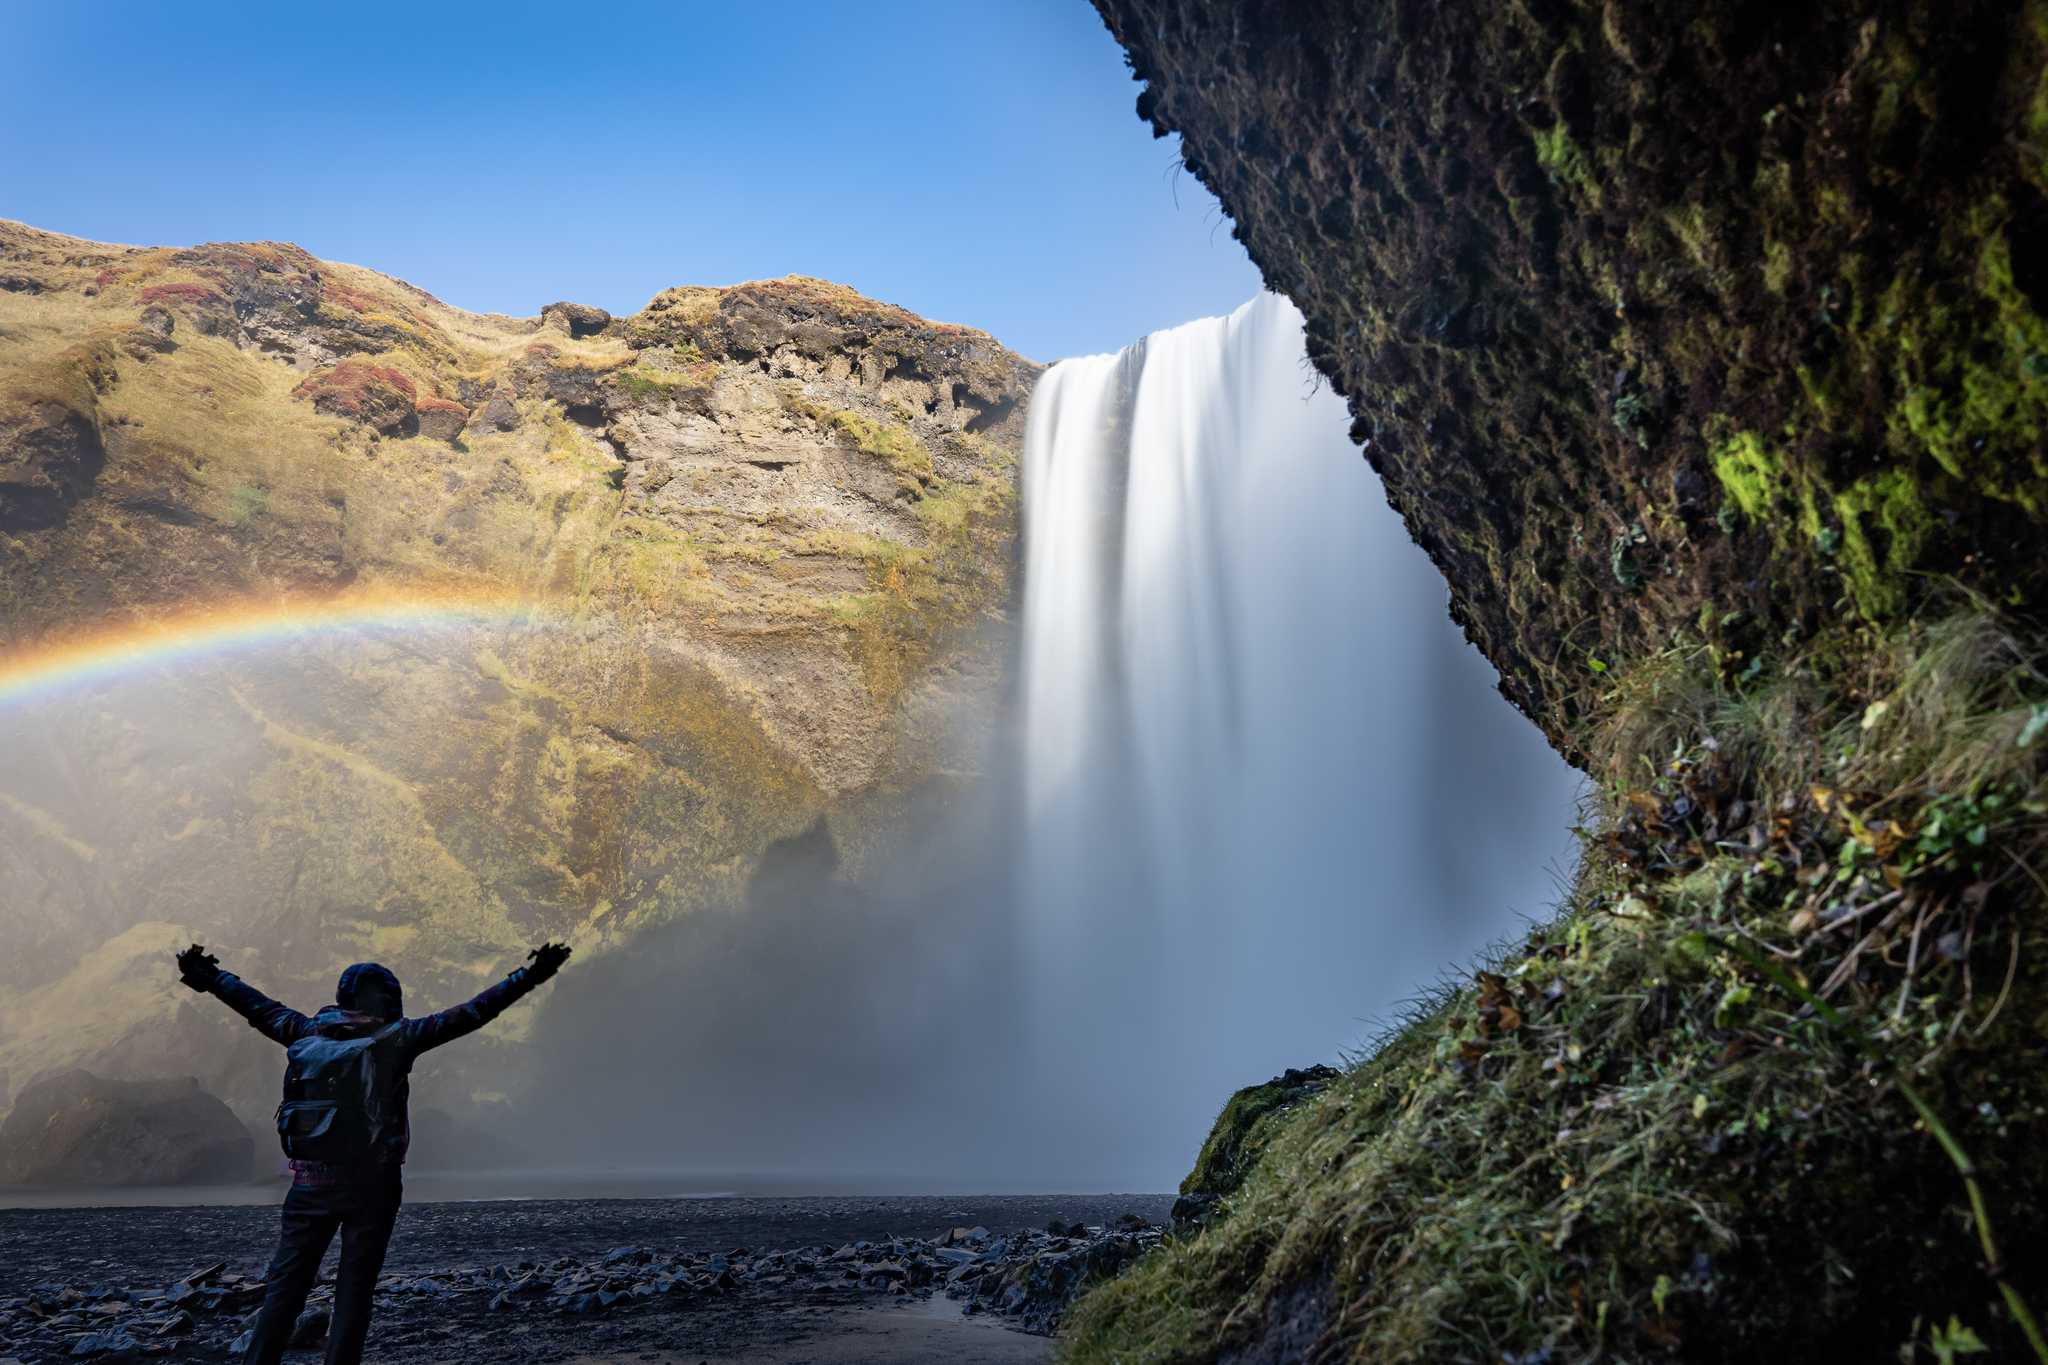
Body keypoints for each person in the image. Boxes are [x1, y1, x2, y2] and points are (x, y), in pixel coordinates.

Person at [175, 940, 572, 1365]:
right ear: (389, 1000)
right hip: (374, 1185)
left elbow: (255, 1005)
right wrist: (530, 974)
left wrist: (211, 976)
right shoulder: (398, 1038)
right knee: (355, 1291)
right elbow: (474, 1012)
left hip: (309, 1182)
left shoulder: (304, 1031)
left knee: (285, 1290)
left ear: (343, 998)